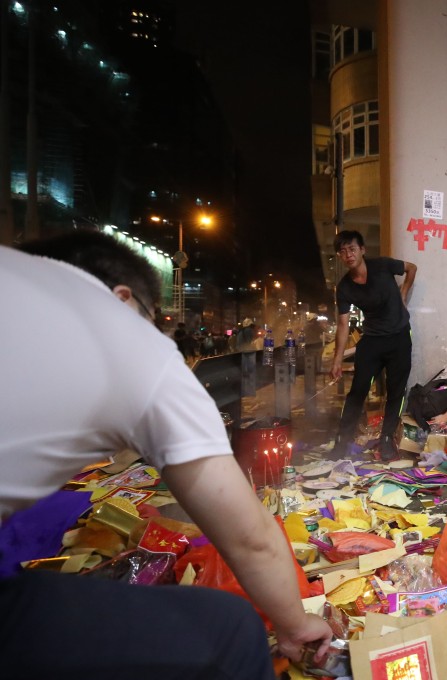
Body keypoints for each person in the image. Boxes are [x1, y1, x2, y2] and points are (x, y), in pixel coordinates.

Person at [2, 232, 332, 679]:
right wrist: (295, 625)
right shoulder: (130, 340)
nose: (156, 333)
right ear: (123, 300)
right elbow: (249, 537)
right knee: (230, 629)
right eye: (153, 319)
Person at [328, 230, 417, 460]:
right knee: (358, 391)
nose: (348, 254)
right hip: (372, 341)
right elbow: (343, 324)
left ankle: (387, 439)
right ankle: (342, 441)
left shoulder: (383, 265)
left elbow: (411, 267)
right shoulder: (345, 288)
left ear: (362, 250)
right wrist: (337, 359)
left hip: (399, 337)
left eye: (352, 249)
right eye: (343, 251)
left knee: (396, 390)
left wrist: (404, 291)